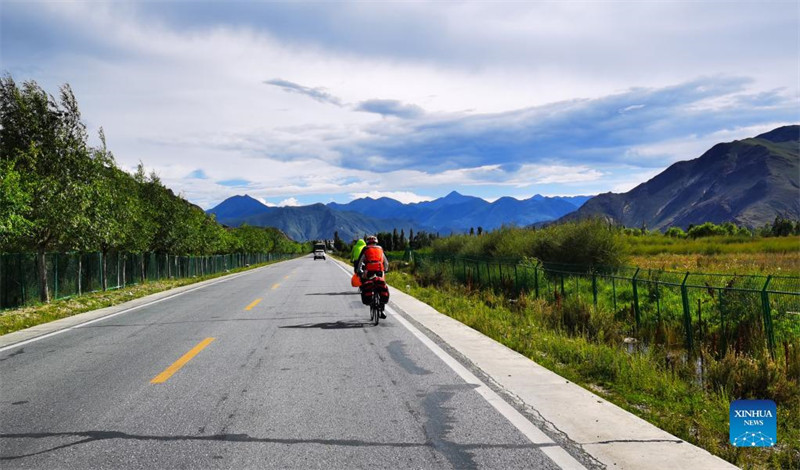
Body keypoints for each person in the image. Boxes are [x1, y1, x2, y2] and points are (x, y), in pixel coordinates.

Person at [355, 235, 389, 318]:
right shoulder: (380, 249)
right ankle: (382, 310)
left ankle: (368, 297)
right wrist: (385, 270)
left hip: (369, 272)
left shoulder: (366, 249)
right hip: (380, 271)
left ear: (367, 243)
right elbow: (386, 263)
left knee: (365, 283)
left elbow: (360, 262)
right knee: (381, 286)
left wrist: (359, 271)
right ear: (376, 242)